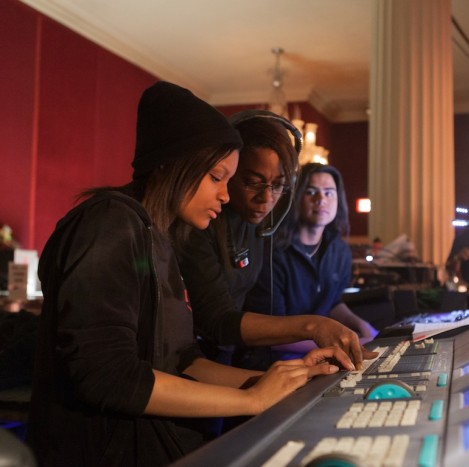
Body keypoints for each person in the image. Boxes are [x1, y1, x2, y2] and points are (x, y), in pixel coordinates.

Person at [26, 81, 351, 466]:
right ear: (174, 164)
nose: (226, 195)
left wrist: (287, 380)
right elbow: (108, 377)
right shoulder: (109, 224)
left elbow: (185, 361)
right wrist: (251, 399)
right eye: (216, 177)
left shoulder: (159, 234)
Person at [176, 112, 376, 370]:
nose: (266, 198)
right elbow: (217, 319)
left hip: (224, 358)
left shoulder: (262, 226)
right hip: (202, 360)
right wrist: (313, 327)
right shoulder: (202, 224)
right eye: (252, 182)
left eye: (278, 185)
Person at [243, 163, 378, 367]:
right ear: (296, 198)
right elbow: (270, 334)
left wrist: (359, 324)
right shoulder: (273, 251)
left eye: (329, 192)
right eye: (311, 192)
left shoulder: (339, 250)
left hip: (322, 353)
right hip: (275, 361)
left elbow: (331, 302)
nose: (321, 199)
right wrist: (340, 345)